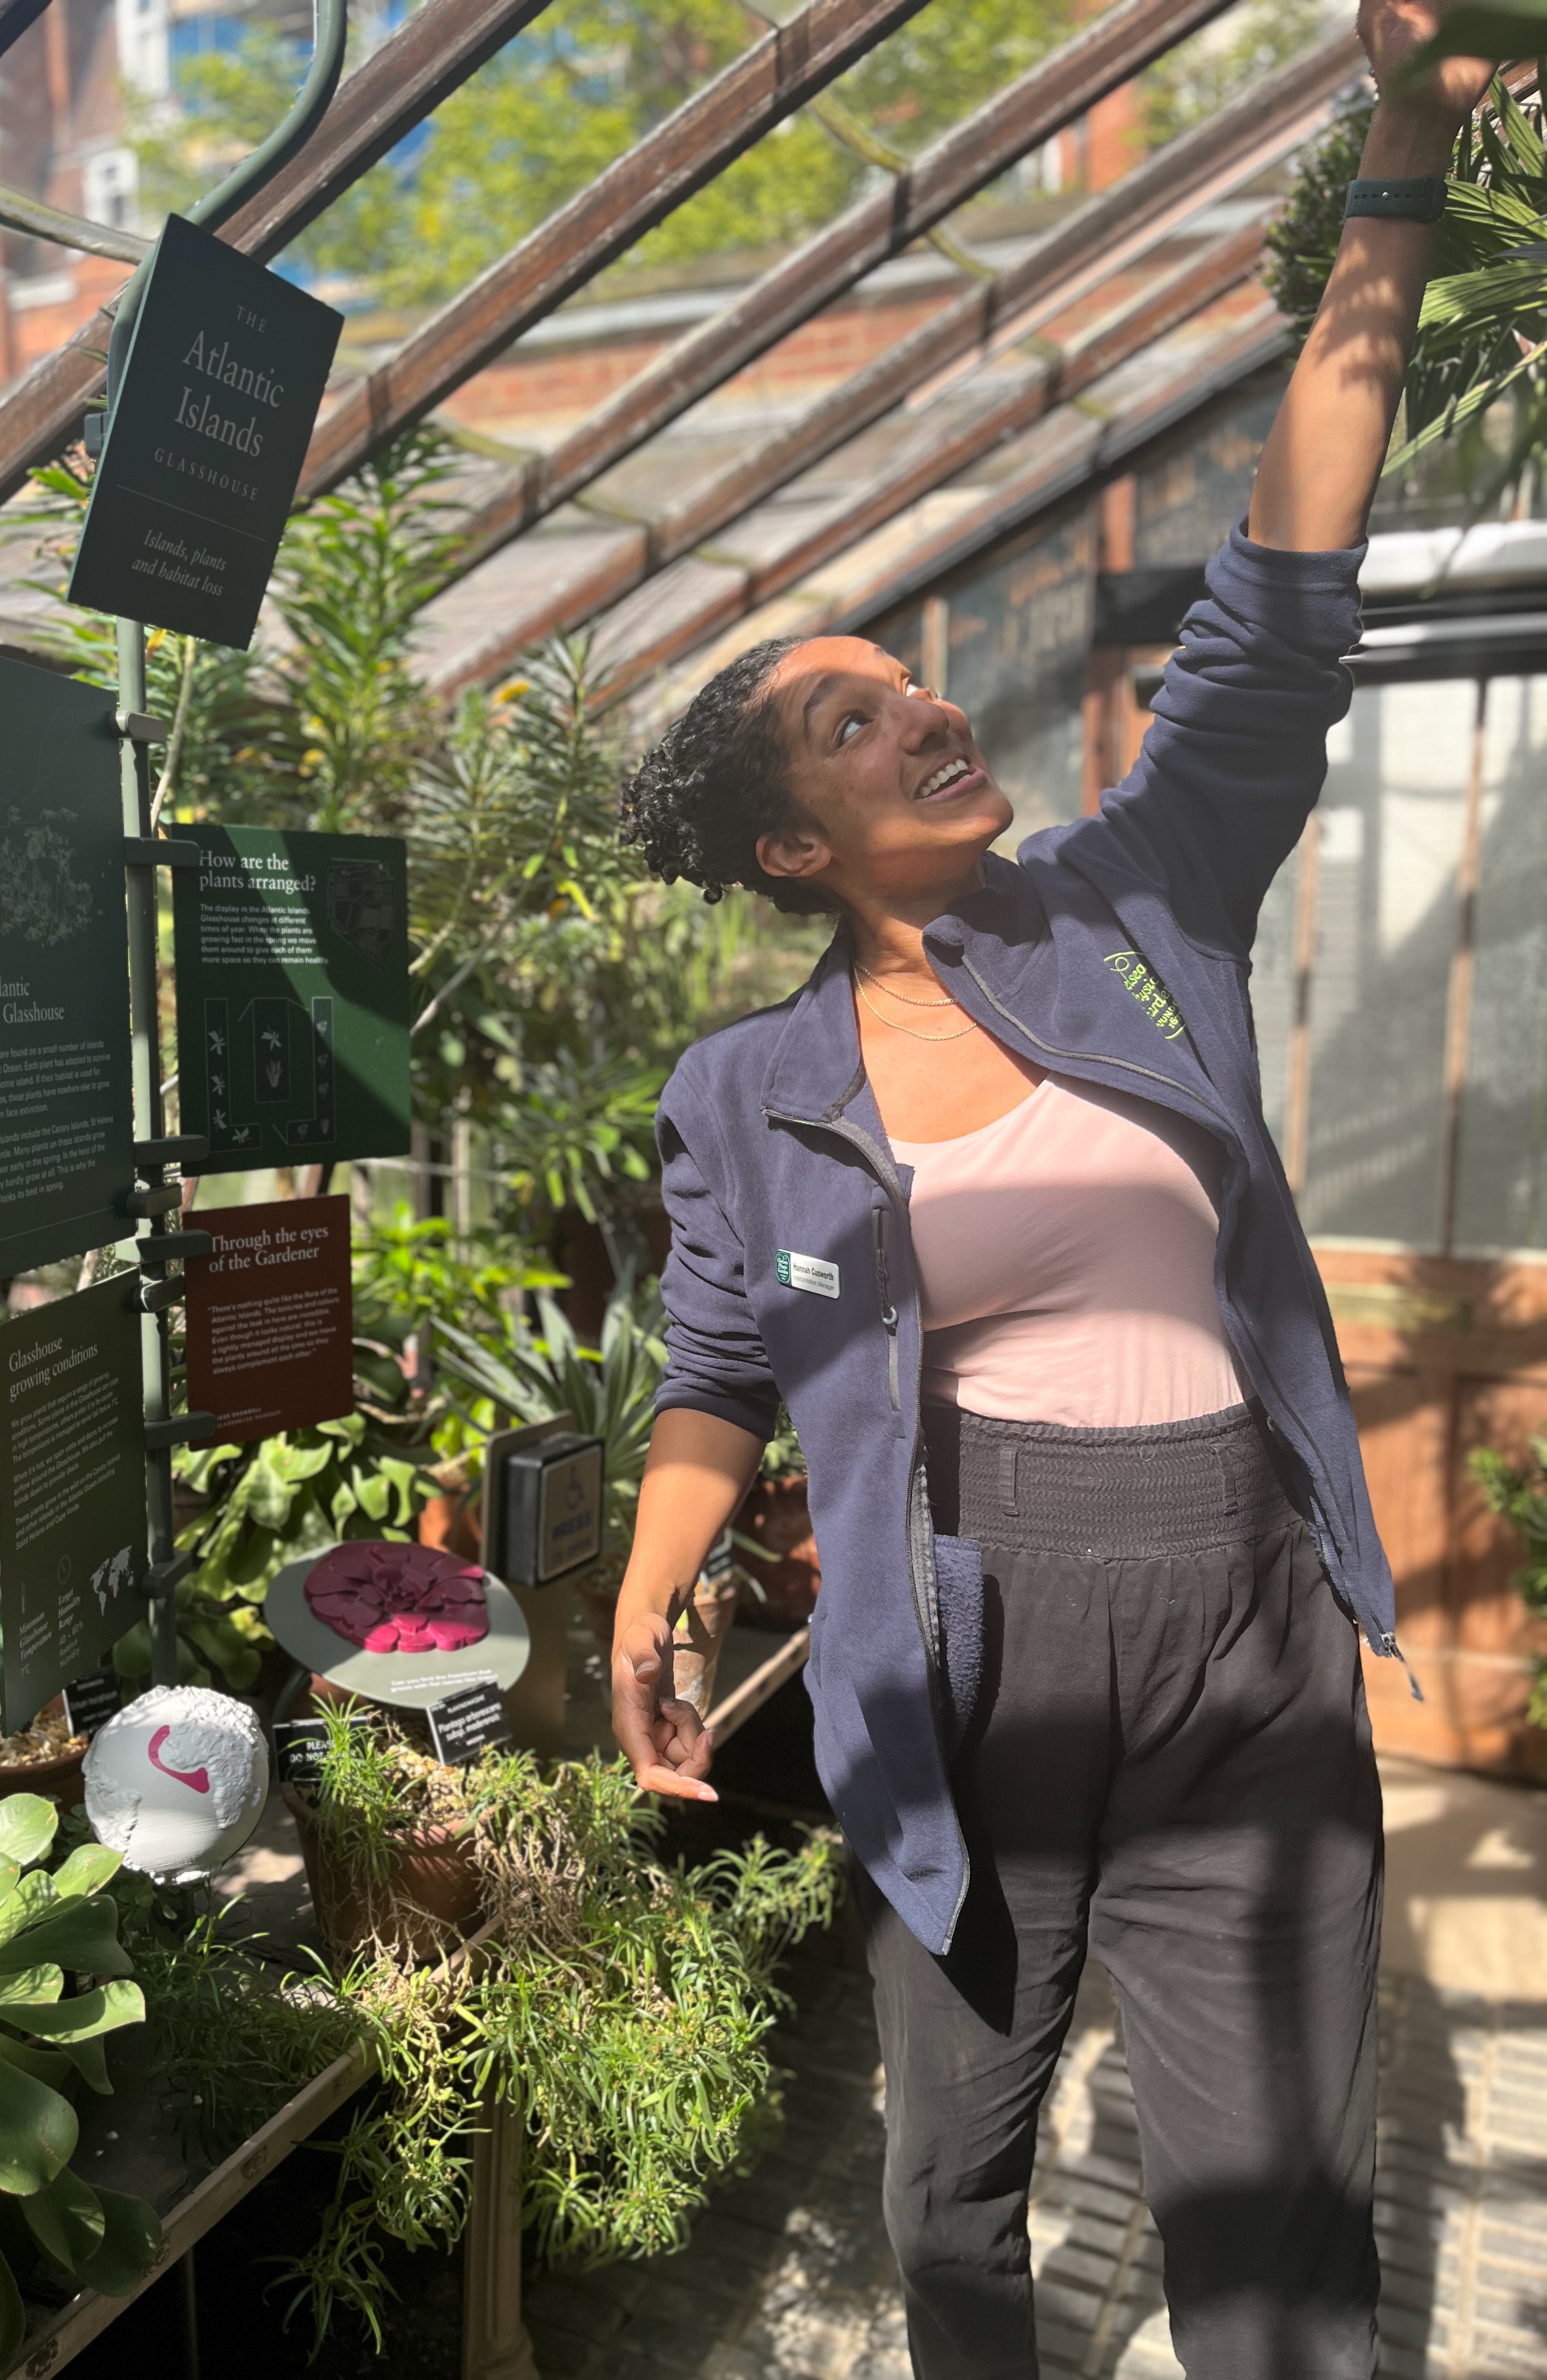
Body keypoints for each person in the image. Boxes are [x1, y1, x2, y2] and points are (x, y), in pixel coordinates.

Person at [609, 6, 1494, 2373]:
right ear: (798, 845)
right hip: (967, 1633)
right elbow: (716, 1367)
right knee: (947, 2186)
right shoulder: (750, 1090)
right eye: (850, 715)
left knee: (1278, 2206)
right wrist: (650, 1587)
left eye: (912, 679)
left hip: (1232, 1616)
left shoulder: (1141, 900)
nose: (920, 706)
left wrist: (1400, 146)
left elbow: (1283, 583)